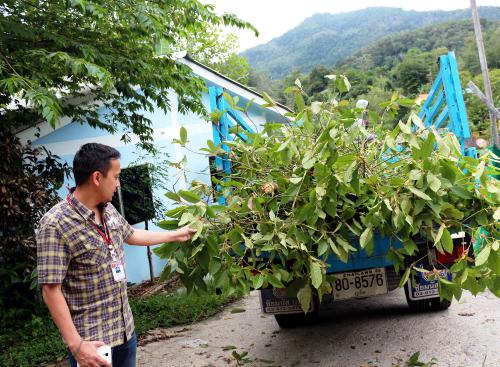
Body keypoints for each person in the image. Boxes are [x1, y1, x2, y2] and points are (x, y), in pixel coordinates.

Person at [36, 143, 196, 367]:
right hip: (93, 343)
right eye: (116, 176)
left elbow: (130, 235)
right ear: (97, 178)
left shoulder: (107, 208)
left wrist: (175, 235)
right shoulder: (55, 224)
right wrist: (76, 345)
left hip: (124, 331)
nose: (119, 183)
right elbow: (50, 289)